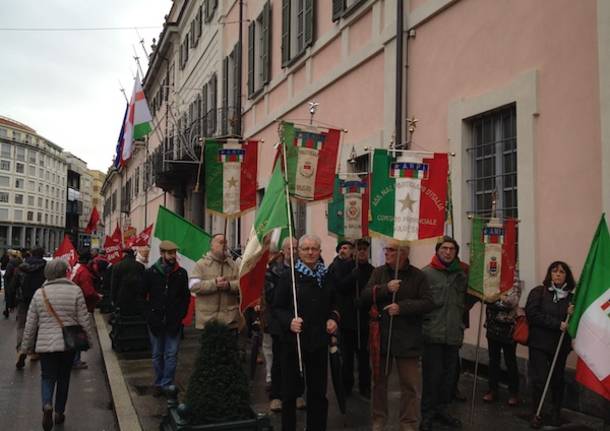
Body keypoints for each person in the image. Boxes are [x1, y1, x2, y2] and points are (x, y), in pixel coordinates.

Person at [361, 240, 434, 431]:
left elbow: (428, 303)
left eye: (391, 250)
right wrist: (386, 289)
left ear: (404, 253)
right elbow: (365, 296)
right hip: (382, 339)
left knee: (410, 386)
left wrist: (402, 308)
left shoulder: (418, 276)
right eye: (386, 249)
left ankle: (408, 424)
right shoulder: (378, 272)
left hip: (408, 340)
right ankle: (378, 420)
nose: (387, 253)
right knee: (379, 384)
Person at [273, 234, 340, 431]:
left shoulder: (326, 275)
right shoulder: (288, 276)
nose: (310, 252)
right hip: (293, 343)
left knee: (318, 393)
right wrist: (289, 321)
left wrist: (333, 318)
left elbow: (335, 304)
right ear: (299, 252)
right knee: (289, 393)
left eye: (314, 248)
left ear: (319, 251)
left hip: (318, 342)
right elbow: (277, 307)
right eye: (305, 249)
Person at [20, 258, 94, 431]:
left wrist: (26, 348)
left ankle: (47, 404)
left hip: (46, 345)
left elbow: (30, 324)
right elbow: (84, 320)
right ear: (65, 272)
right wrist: (88, 341)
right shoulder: (75, 291)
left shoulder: (40, 294)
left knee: (47, 376)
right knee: (63, 378)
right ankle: (59, 412)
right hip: (68, 345)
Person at [420, 236, 468, 431]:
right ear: (437, 250)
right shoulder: (426, 274)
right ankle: (428, 414)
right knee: (432, 377)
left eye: (452, 249)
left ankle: (443, 410)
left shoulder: (462, 274)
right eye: (444, 248)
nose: (448, 252)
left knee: (449, 377)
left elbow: (468, 299)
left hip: (453, 335)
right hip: (432, 334)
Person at [525, 261, 575, 429]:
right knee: (539, 379)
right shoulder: (538, 292)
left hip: (560, 346)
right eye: (555, 271)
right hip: (539, 343)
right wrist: (556, 323)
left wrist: (571, 314)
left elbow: (574, 322)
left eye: (562, 272)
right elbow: (532, 314)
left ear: (567, 276)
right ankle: (536, 412)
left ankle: (555, 411)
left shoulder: (571, 298)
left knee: (557, 380)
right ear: (550, 274)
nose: (558, 274)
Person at [142, 240, 190, 396]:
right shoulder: (151, 273)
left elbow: (185, 297)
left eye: (174, 253)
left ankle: (166, 383)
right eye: (170, 253)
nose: (173, 256)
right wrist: (149, 315)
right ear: (162, 254)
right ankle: (158, 381)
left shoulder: (181, 273)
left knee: (171, 354)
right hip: (155, 320)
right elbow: (142, 297)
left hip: (173, 321)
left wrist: (180, 315)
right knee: (157, 354)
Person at [482, 276, 522, 406]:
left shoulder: (515, 279)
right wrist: (500, 299)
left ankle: (514, 392)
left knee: (510, 361)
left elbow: (512, 301)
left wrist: (496, 298)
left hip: (509, 328)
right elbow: (486, 299)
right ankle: (492, 390)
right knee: (493, 360)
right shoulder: (492, 276)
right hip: (492, 326)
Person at [189, 233, 240, 331]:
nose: (224, 245)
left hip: (229, 321)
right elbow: (193, 285)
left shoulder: (233, 265)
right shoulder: (201, 264)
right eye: (221, 242)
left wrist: (229, 285)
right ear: (212, 246)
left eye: (226, 242)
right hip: (208, 321)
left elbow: (241, 285)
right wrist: (214, 283)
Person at [14, 246, 47, 368]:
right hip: (39, 299)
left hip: (23, 300)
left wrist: (11, 301)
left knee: (21, 326)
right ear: (42, 254)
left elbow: (14, 284)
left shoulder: (22, 267)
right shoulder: (45, 267)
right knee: (36, 324)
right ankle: (33, 351)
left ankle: (20, 350)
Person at [71, 249, 102, 369]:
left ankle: (74, 359)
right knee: (78, 333)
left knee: (74, 333)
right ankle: (75, 360)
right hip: (80, 306)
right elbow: (88, 291)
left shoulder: (77, 268)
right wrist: (97, 296)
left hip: (74, 304)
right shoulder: (84, 272)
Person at [111, 248, 145, 316]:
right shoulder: (141, 266)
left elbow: (114, 284)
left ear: (124, 254)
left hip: (122, 297)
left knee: (123, 318)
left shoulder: (117, 266)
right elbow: (144, 283)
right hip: (136, 298)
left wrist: (113, 298)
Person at [3, 249, 22, 318]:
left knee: (9, 297)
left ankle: (7, 311)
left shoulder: (10, 264)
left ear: (11, 256)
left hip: (10, 283)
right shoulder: (21, 262)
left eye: (9, 255)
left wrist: (5, 277)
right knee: (18, 298)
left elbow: (7, 274)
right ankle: (17, 314)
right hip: (19, 283)